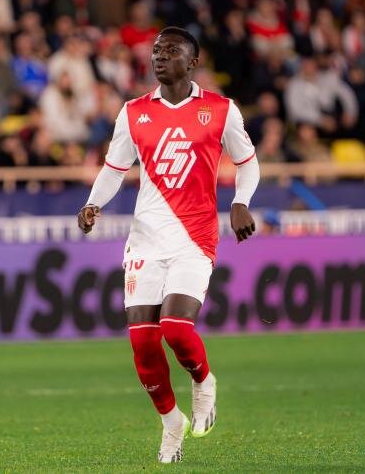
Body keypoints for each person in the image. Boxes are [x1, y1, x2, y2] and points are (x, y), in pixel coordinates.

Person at [76, 27, 259, 464]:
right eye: (156, 50)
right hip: (146, 239)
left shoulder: (220, 110)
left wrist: (240, 201)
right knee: (143, 344)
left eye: (171, 51)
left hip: (194, 237)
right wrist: (93, 203)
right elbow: (114, 169)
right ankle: (171, 422)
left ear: (192, 62)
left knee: (176, 329)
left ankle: (204, 380)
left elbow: (248, 164)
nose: (159, 56)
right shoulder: (133, 112)